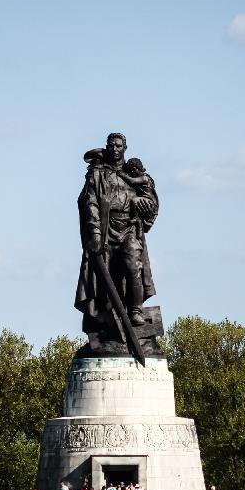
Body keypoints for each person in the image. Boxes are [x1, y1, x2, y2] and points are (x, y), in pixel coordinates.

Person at [75, 134, 159, 338]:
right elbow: (90, 202)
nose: (114, 148)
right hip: (105, 230)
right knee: (105, 277)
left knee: (133, 267)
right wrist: (94, 232)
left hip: (129, 228)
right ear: (107, 147)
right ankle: (106, 320)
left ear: (125, 148)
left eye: (118, 145)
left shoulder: (133, 172)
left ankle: (136, 311)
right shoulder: (97, 173)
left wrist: (143, 203)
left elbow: (152, 202)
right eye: (111, 145)